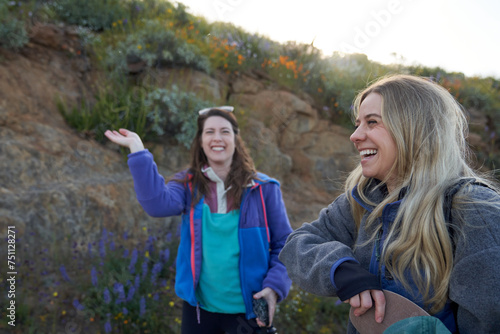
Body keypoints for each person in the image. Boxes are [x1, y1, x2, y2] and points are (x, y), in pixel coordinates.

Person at [278, 74, 500, 333]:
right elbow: (298, 244)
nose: (355, 136)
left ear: (413, 128)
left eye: (372, 122)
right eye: (358, 123)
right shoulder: (362, 198)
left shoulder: (475, 210)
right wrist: (340, 269)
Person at [105, 106, 292, 334]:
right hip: (199, 312)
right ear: (201, 142)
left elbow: (286, 245)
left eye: (225, 131)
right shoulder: (188, 186)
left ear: (235, 139)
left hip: (249, 313)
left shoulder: (264, 189)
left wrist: (274, 288)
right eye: (209, 132)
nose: (217, 138)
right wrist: (138, 150)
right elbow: (156, 204)